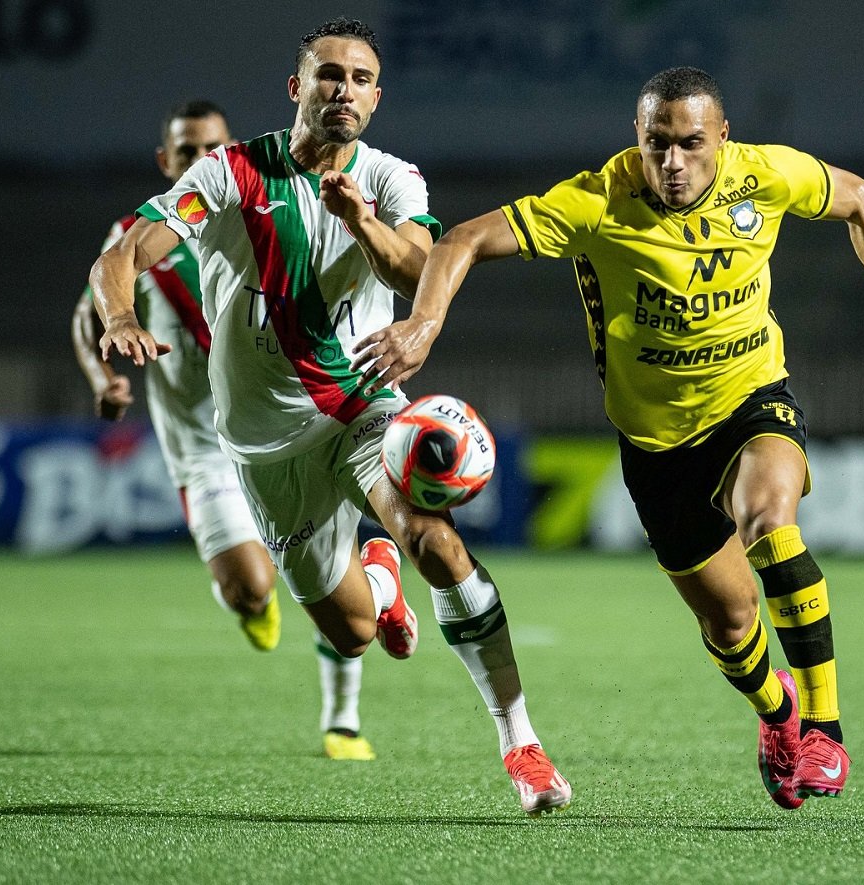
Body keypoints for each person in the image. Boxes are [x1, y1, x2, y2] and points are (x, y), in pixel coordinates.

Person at [354, 66, 864, 809]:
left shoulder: (766, 176)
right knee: (730, 622)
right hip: (656, 447)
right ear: (638, 137)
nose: (674, 162)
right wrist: (425, 321)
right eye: (658, 143)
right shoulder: (597, 201)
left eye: (692, 143)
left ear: (722, 137)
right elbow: (462, 238)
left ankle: (825, 729)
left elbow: (863, 201)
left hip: (752, 400)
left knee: (770, 523)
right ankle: (778, 713)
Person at [88, 18, 571, 816]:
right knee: (350, 633)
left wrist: (360, 221)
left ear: (376, 98)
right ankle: (378, 580)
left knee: (434, 538)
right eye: (329, 75)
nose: (343, 89)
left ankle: (520, 741)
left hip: (360, 405)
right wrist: (117, 316)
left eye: (359, 78)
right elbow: (122, 252)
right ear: (297, 88)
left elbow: (422, 271)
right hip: (263, 447)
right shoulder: (229, 172)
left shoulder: (391, 180)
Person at [74, 99, 375, 762]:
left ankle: (343, 718)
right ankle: (249, 602)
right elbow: (88, 315)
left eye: (206, 148)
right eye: (182, 152)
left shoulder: (262, 212)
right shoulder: (137, 233)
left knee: (334, 573)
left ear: (224, 150)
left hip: (287, 425)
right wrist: (106, 378)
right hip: (205, 448)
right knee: (251, 585)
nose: (194, 160)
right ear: (166, 162)